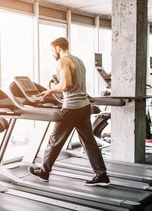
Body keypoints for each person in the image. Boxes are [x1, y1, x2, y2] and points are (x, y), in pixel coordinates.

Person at [28, 37, 110, 186]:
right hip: (84, 106)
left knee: (55, 140)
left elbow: (67, 85)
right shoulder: (78, 60)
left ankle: (44, 171)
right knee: (89, 142)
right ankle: (101, 174)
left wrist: (51, 89)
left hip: (72, 107)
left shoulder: (63, 61)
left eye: (53, 51)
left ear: (58, 48)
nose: (53, 54)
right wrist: (56, 86)